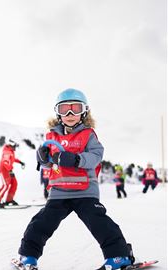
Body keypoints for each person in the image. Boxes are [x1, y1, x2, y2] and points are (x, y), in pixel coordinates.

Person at [15, 88, 134, 270]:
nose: (70, 114)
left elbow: (96, 155)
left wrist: (77, 159)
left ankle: (119, 257)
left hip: (84, 191)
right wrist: (43, 159)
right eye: (64, 109)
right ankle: (28, 256)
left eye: (75, 108)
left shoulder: (88, 134)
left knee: (99, 222)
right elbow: (50, 164)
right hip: (59, 192)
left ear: (84, 112)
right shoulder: (51, 136)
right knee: (41, 223)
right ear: (57, 113)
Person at [0, 139, 25, 208]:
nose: (15, 148)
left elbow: (12, 159)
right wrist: (10, 171)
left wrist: (20, 162)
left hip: (8, 170)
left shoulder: (10, 151)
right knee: (5, 185)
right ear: (11, 145)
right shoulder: (7, 152)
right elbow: (5, 162)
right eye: (14, 146)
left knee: (14, 183)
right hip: (4, 171)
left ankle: (9, 200)